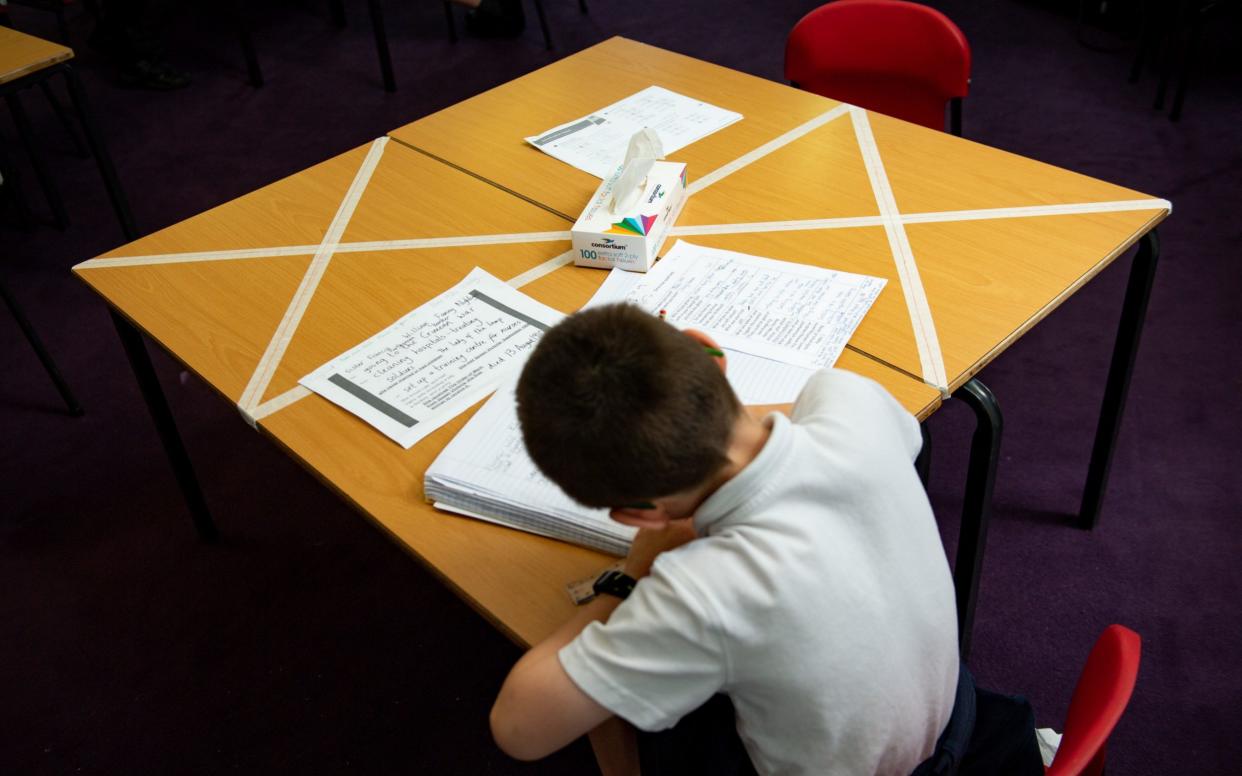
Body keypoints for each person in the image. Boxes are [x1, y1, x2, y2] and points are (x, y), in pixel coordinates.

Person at [489, 302, 967, 775]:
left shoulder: (702, 592)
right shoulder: (848, 399)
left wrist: (631, 575)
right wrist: (689, 415)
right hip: (957, 718)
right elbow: (908, 438)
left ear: (639, 516)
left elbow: (518, 729)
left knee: (637, 707)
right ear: (711, 352)